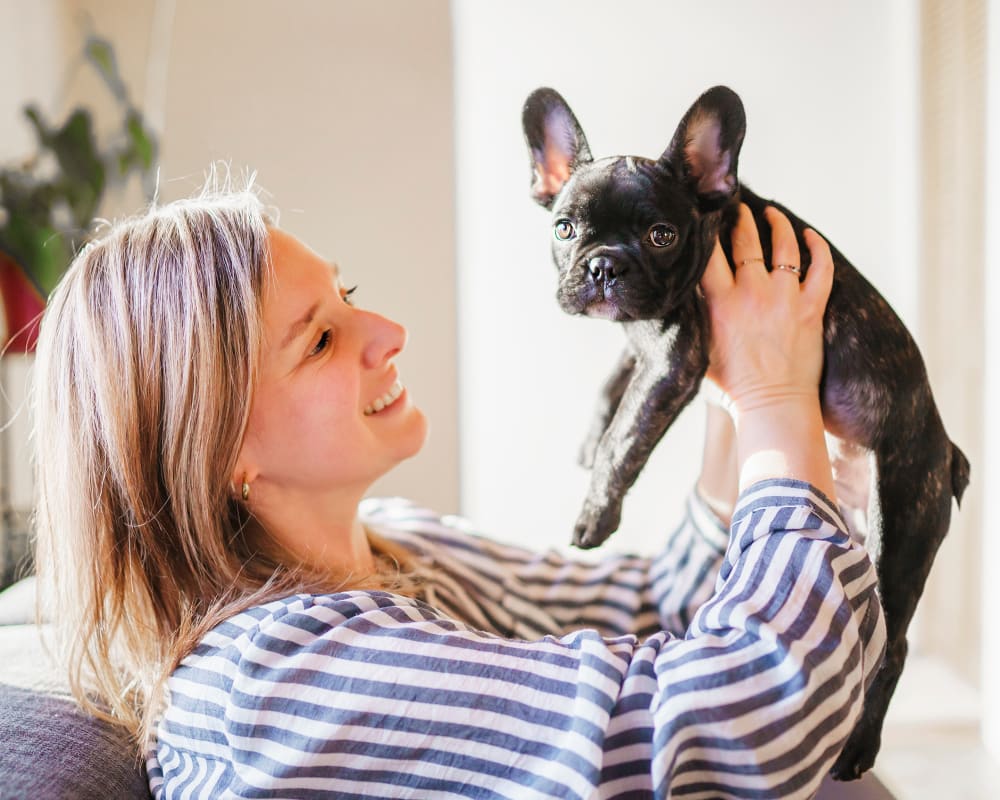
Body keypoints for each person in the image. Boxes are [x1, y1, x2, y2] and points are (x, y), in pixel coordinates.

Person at [32, 172, 885, 799]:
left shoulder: (394, 547)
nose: (388, 332)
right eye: (321, 341)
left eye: (349, 295)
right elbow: (754, 722)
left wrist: (735, 381)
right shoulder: (276, 683)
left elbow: (659, 605)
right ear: (215, 453)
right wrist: (778, 401)